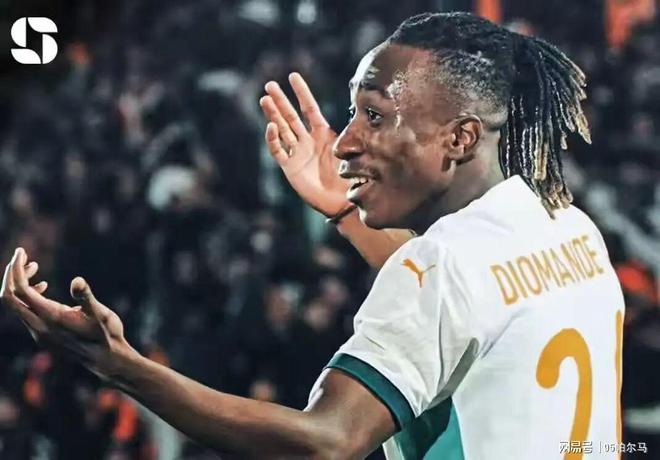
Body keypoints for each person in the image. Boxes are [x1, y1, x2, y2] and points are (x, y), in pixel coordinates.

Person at [1, 12, 625, 459]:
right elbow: (466, 301)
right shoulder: (567, 226)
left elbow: (327, 440)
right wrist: (346, 213)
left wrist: (120, 366)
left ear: (459, 138)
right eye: (353, 112)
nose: (345, 142)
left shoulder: (441, 265)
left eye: (374, 115)